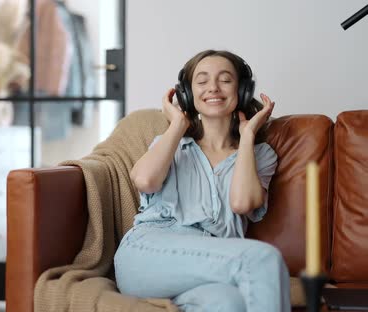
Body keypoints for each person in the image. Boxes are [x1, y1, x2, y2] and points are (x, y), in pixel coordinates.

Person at [114, 50, 291, 312]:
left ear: (242, 90)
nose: (213, 88)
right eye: (202, 81)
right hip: (147, 252)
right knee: (263, 259)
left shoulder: (259, 154)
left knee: (228, 304)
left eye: (225, 80)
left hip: (206, 266)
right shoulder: (171, 145)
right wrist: (177, 124)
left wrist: (247, 136)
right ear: (187, 93)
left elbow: (242, 203)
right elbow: (145, 180)